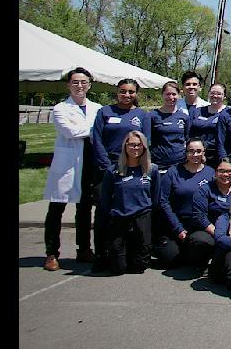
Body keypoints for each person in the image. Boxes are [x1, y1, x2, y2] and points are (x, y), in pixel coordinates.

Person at [89, 78, 151, 270]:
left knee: (131, 213)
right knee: (104, 213)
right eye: (123, 91)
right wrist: (108, 166)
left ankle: (129, 252)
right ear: (117, 92)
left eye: (131, 92)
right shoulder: (104, 112)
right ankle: (101, 254)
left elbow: (146, 143)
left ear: (136, 94)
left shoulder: (142, 115)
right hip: (108, 169)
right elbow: (96, 139)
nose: (127, 95)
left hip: (134, 169)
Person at [44, 67, 101, 270]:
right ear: (68, 85)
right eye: (75, 82)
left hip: (89, 164)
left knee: (85, 210)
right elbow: (69, 131)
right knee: (56, 209)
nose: (79, 86)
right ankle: (52, 253)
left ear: (89, 85)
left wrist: (92, 130)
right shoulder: (60, 108)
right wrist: (95, 129)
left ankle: (84, 249)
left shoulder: (97, 108)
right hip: (67, 165)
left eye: (83, 82)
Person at [96, 130, 159, 275]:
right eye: (131, 145)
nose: (135, 148)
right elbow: (105, 198)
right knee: (118, 268)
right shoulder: (113, 171)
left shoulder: (151, 170)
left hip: (142, 215)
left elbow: (155, 197)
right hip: (119, 216)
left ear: (144, 147)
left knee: (138, 267)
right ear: (125, 146)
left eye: (139, 145)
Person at [154, 138, 216, 269]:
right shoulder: (173, 172)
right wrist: (178, 228)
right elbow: (163, 201)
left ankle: (194, 251)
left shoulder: (211, 173)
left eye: (199, 151)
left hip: (199, 225)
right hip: (176, 224)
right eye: (191, 151)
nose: (195, 155)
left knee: (201, 243)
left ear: (204, 152)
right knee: (168, 260)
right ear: (186, 152)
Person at [182, 159, 231, 269]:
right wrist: (219, 234)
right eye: (221, 171)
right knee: (200, 240)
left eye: (229, 171)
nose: (225, 174)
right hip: (210, 230)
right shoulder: (205, 189)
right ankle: (203, 263)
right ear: (215, 173)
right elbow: (200, 216)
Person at [148, 80, 189, 172]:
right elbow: (147, 140)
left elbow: (187, 138)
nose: (171, 97)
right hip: (158, 163)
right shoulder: (152, 116)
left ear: (179, 95)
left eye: (174, 94)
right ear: (162, 95)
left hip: (179, 163)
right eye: (168, 94)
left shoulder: (184, 117)